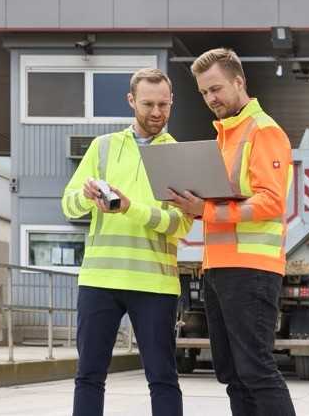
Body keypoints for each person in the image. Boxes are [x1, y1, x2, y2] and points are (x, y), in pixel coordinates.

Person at [170, 48, 296, 416]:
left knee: (256, 369)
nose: (211, 99)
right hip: (218, 270)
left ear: (239, 81)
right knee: (231, 373)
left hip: (252, 271)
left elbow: (271, 203)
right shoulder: (225, 137)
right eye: (204, 93)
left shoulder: (265, 131)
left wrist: (204, 209)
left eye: (216, 89)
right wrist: (191, 206)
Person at [62, 68, 192, 416]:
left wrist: (131, 209)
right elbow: (68, 204)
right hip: (99, 281)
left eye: (163, 104)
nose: (156, 112)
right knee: (88, 376)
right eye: (148, 103)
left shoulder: (179, 155)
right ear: (131, 101)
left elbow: (181, 225)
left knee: (162, 378)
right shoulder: (102, 147)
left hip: (155, 284)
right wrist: (88, 197)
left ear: (171, 102)